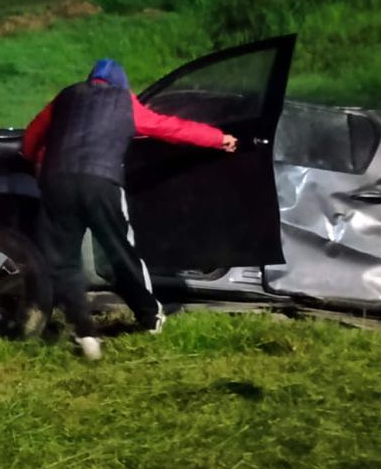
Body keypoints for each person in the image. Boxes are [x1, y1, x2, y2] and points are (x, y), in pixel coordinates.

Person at [22, 59, 238, 359]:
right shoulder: (125, 102)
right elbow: (170, 128)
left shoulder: (65, 97)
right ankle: (150, 316)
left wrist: (35, 159)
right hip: (101, 183)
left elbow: (31, 137)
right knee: (120, 250)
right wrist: (218, 138)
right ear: (121, 84)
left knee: (64, 261)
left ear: (91, 80)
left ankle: (85, 332)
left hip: (56, 181)